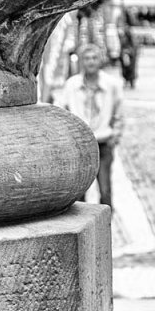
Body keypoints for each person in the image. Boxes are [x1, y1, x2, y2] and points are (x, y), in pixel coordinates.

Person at [55, 44, 125, 208]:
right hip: (80, 146)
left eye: (94, 58)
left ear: (100, 60)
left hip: (103, 144)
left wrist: (115, 136)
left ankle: (107, 220)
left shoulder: (111, 84)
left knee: (105, 189)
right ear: (81, 61)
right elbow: (60, 110)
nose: (91, 62)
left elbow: (119, 113)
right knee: (79, 193)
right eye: (87, 58)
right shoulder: (71, 85)